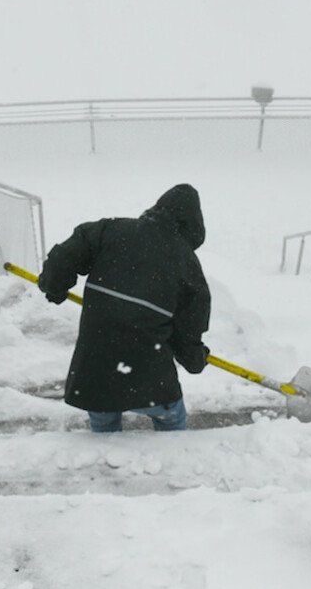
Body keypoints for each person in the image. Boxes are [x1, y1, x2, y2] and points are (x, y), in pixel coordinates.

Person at [37, 184, 210, 432]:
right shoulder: (188, 265)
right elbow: (189, 329)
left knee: (104, 435)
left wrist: (55, 286)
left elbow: (65, 256)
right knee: (172, 424)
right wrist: (195, 359)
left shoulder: (111, 230)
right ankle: (174, 460)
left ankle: (105, 466)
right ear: (193, 225)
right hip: (153, 381)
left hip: (95, 375)